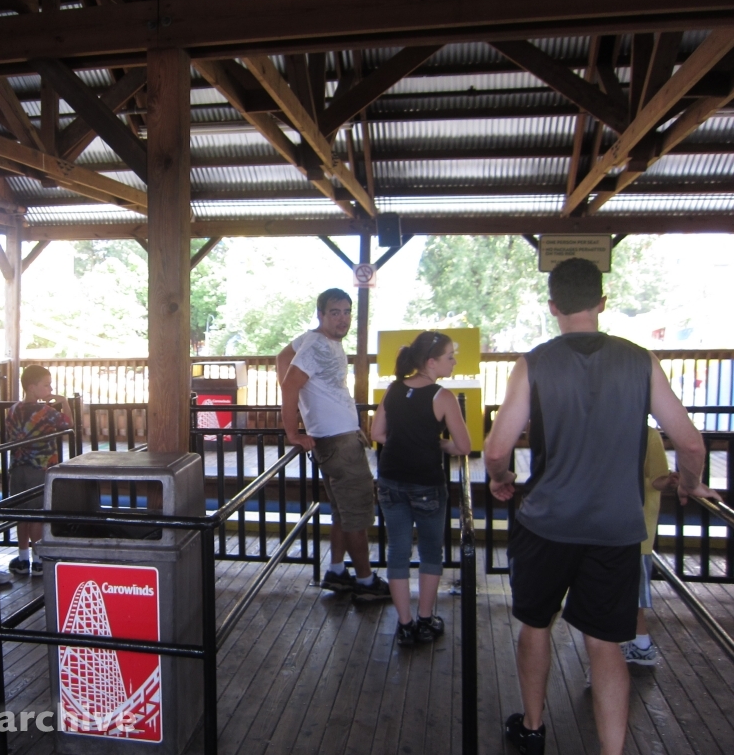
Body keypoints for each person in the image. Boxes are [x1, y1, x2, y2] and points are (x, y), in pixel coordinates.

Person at [484, 257, 720, 755]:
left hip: (548, 522)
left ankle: (531, 726)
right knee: (606, 643)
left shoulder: (535, 362)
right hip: (616, 526)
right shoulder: (640, 361)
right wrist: (690, 484)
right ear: (602, 302)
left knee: (536, 625)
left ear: (553, 307)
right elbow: (692, 445)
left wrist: (502, 480)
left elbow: (496, 448)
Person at [277, 288, 389, 601]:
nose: (342, 318)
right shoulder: (316, 346)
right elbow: (289, 385)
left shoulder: (316, 342)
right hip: (338, 442)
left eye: (346, 312)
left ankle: (337, 571)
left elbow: (282, 357)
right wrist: (294, 432)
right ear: (321, 315)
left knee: (343, 512)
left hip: (337, 439)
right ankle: (366, 582)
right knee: (356, 513)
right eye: (334, 312)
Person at [371, 331, 471, 646]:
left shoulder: (394, 389)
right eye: (449, 357)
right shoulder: (443, 396)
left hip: (390, 479)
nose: (454, 362)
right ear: (431, 362)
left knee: (397, 550)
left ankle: (404, 624)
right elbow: (464, 446)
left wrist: (406, 441)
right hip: (427, 483)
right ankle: (425, 619)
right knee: (430, 550)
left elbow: (377, 432)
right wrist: (436, 442)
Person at [5, 365, 73, 576]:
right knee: (36, 513)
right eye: (46, 385)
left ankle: (23, 558)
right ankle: (37, 560)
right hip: (39, 467)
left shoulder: (14, 409)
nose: (49, 388)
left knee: (22, 514)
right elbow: (69, 424)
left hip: (17, 467)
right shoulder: (47, 412)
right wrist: (65, 403)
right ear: (32, 387)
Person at [622, 426, 678, 665]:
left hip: (635, 528)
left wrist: (669, 481)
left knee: (632, 593)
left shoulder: (648, 434)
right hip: (620, 526)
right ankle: (638, 644)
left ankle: (640, 644)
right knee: (628, 592)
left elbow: (657, 479)